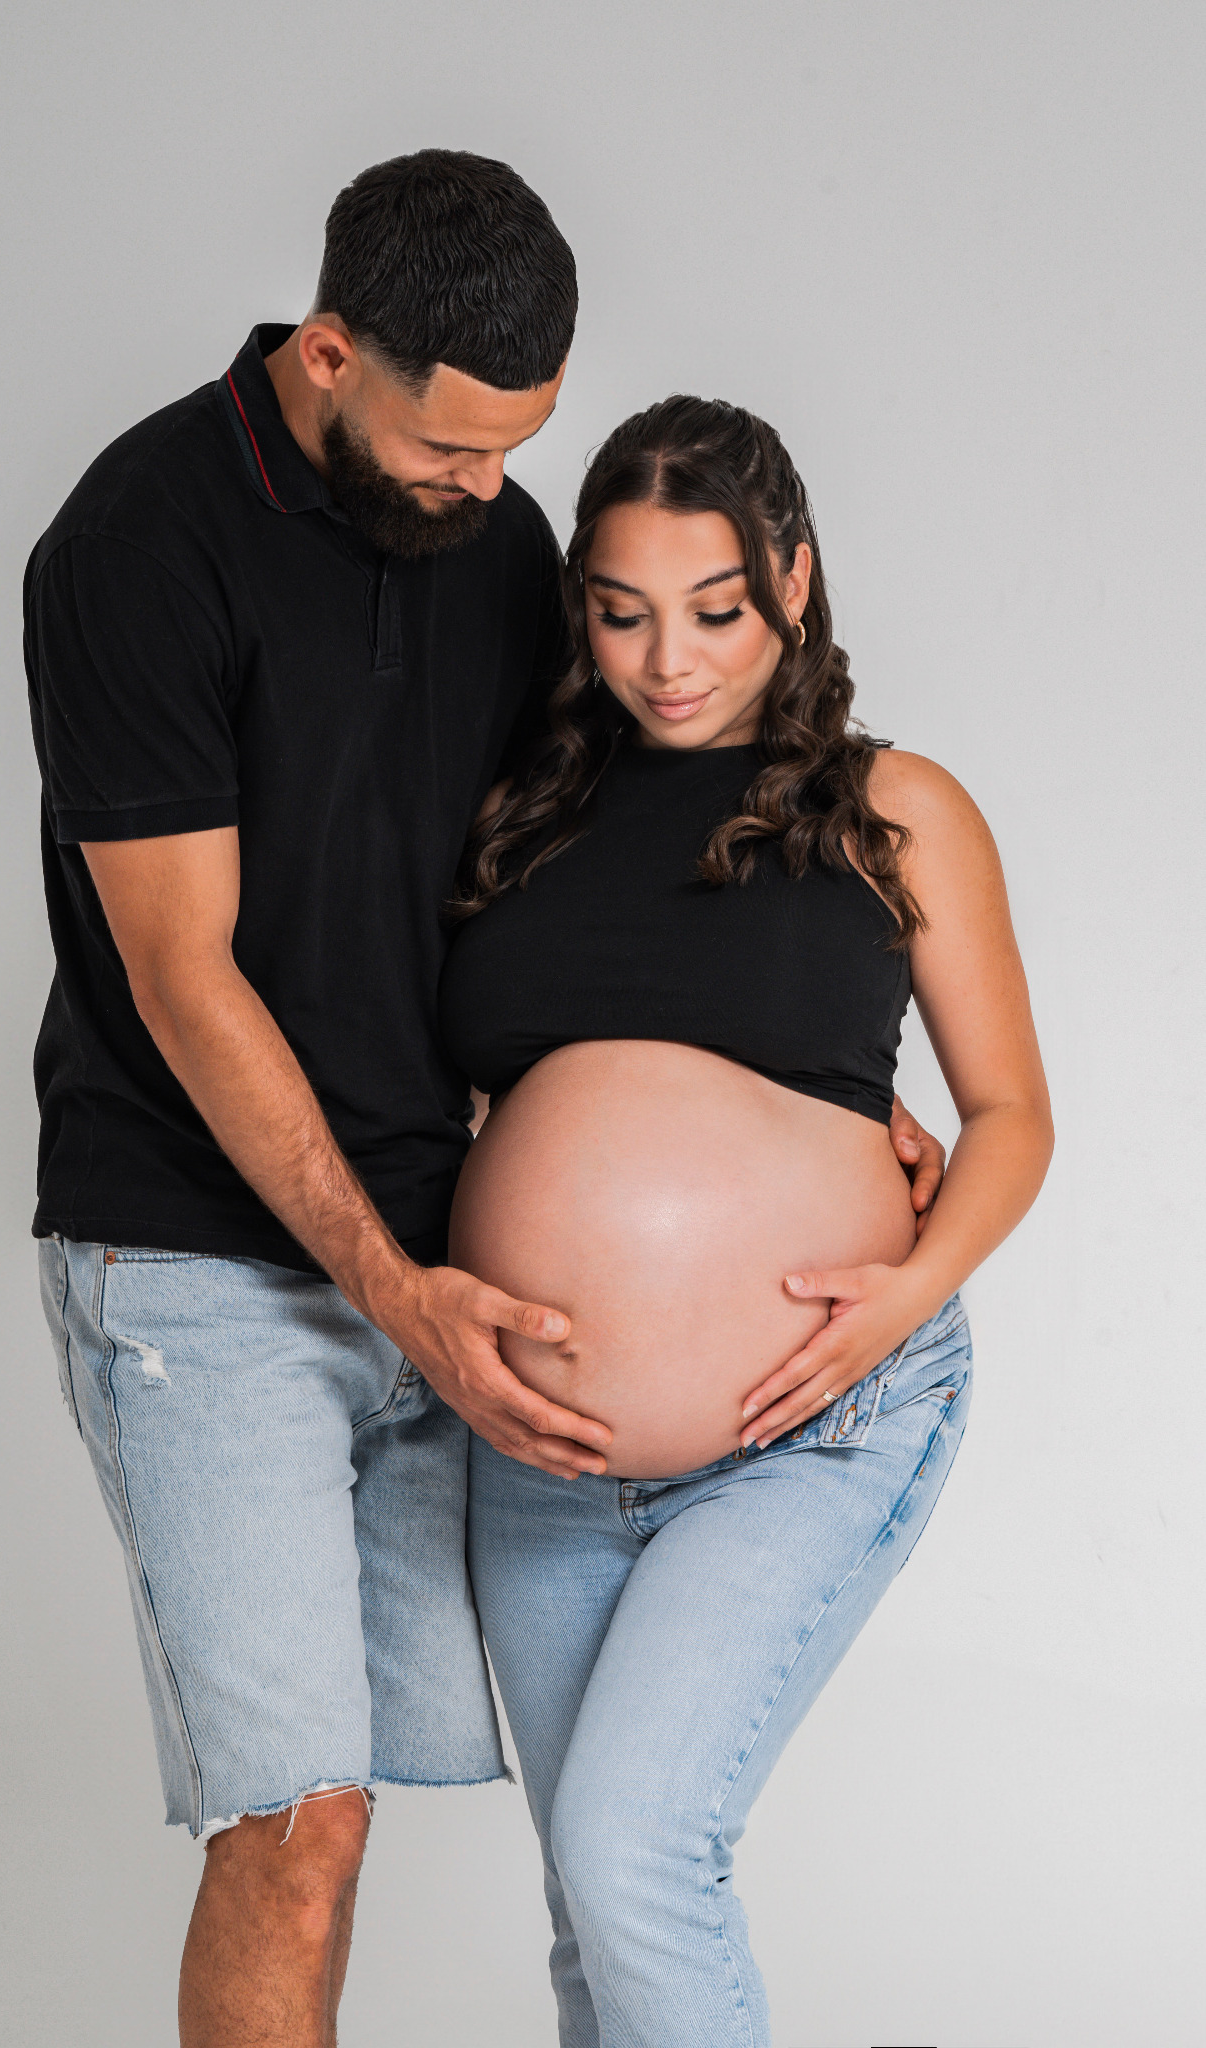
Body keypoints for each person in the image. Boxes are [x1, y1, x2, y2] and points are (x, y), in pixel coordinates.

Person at [25, 150, 946, 2043]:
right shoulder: (138, 544)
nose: (483, 491)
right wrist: (397, 1288)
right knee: (292, 1821)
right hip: (216, 1254)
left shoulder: (493, 541)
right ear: (331, 348)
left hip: (442, 1266)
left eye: (512, 452)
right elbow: (181, 976)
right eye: (452, 451)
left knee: (498, 1851)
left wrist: (826, 1108)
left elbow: (579, 875)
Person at [441, 396, 1054, 2047]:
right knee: (594, 1909)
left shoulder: (892, 805)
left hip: (813, 1423)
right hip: (542, 1454)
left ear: (792, 575)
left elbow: (1009, 1115)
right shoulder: (518, 812)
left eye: (714, 609)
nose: (667, 660)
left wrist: (906, 1289)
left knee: (635, 1857)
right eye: (619, 611)